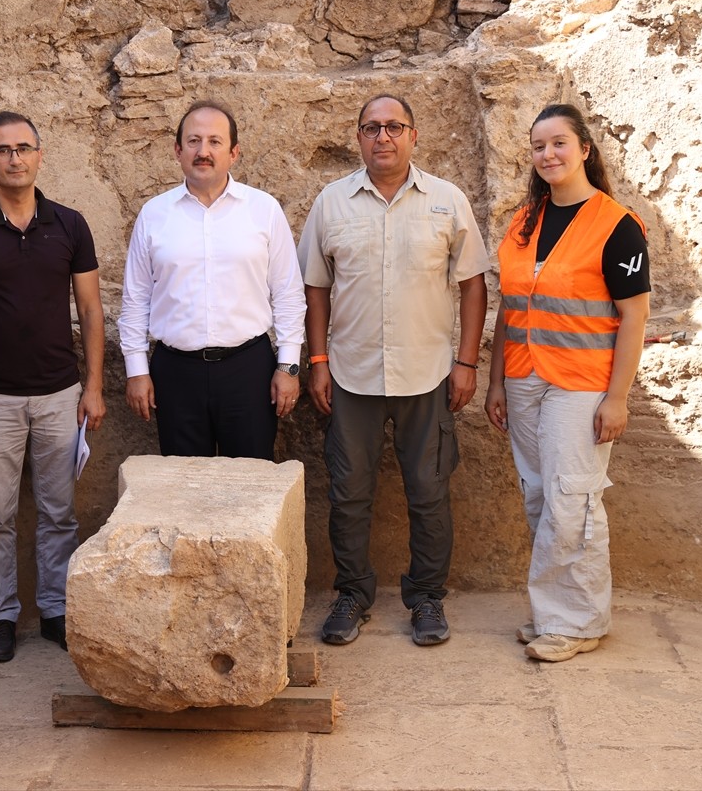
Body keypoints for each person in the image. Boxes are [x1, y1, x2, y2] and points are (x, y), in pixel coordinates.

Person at [298, 94, 488, 647]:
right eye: (371, 128)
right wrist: (317, 361)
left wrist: (467, 363)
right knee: (348, 493)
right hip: (351, 374)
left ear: (413, 135)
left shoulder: (446, 201)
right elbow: (315, 288)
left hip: (427, 374)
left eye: (394, 127)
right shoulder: (331, 203)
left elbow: (473, 284)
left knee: (429, 491)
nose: (383, 136)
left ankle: (427, 597)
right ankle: (352, 595)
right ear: (358, 137)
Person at [0, 110, 105, 663]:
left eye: (24, 148)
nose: (15, 159)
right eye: (3, 150)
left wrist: (93, 386)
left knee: (59, 512)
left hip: (60, 394)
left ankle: (55, 609)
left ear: (39, 155)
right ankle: (1, 616)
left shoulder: (70, 224)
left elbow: (90, 309)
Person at [485, 103, 650, 662]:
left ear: (584, 149)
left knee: (572, 497)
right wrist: (497, 382)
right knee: (539, 494)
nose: (548, 154)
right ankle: (555, 614)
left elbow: (634, 316)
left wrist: (618, 398)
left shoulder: (616, 225)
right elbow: (510, 309)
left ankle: (577, 623)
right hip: (524, 378)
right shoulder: (523, 223)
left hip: (581, 385)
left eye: (559, 143)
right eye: (538, 146)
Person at [118, 100, 306, 459]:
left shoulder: (263, 209)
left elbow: (288, 294)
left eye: (215, 141)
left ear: (233, 152)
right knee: (184, 481)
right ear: (178, 150)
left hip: (248, 371)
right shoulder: (153, 215)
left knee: (251, 477)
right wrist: (136, 371)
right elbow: (135, 299)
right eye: (193, 141)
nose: (203, 151)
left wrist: (288, 366)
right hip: (175, 374)